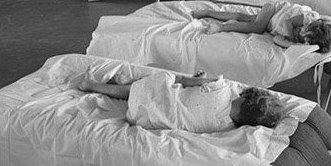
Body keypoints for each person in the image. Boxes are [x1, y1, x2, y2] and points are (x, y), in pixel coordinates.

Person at [78, 70, 284, 133]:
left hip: (151, 98)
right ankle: (125, 86)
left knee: (167, 79)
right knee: (150, 96)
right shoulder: (224, 128)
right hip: (144, 120)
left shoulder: (222, 88)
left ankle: (93, 85)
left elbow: (184, 81)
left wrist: (197, 78)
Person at [193, 1, 331, 52]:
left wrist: (290, 44)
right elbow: (287, 23)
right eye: (304, 29)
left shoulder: (305, 39)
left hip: (270, 23)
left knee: (240, 17)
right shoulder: (309, 18)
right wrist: (292, 38)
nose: (302, 31)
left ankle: (207, 12)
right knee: (257, 28)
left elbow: (277, 39)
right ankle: (220, 28)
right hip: (272, 10)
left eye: (304, 34)